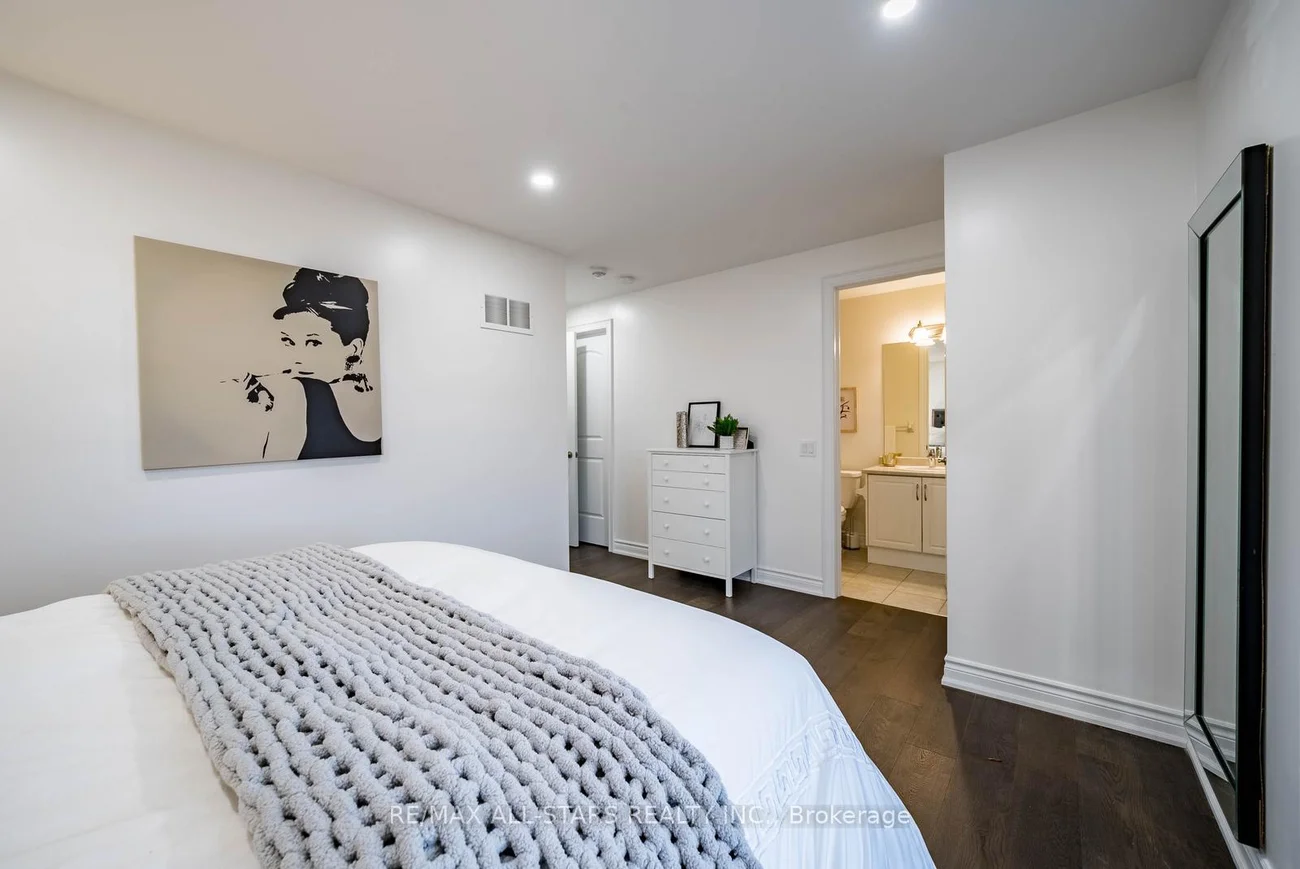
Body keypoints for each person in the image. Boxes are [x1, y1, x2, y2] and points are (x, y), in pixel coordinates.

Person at [232, 269, 381, 460]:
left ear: (353, 349)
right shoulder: (375, 398)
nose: (297, 357)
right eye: (288, 341)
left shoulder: (294, 392)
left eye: (314, 343)